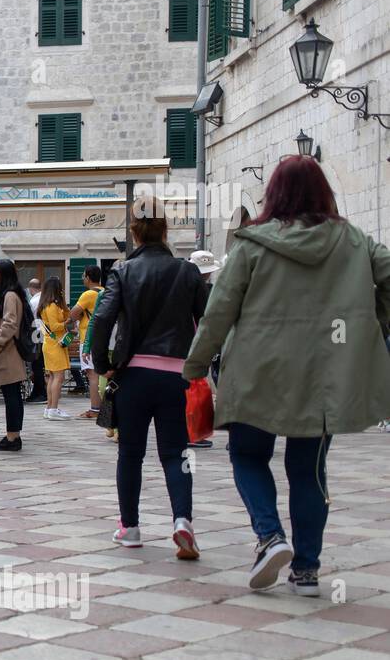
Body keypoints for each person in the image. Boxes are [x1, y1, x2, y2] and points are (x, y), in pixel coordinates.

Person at [186, 157, 390, 594]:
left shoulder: (251, 244)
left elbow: (219, 310)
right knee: (309, 469)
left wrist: (196, 364)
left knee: (246, 455)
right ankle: (307, 570)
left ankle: (269, 536)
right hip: (326, 374)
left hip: (257, 371)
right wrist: (374, 321)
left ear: (273, 193)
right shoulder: (355, 241)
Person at [91, 197, 208, 558]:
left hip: (134, 375)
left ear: (134, 231)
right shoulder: (187, 272)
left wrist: (102, 363)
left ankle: (130, 528)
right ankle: (182, 520)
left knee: (130, 453)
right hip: (175, 376)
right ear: (165, 229)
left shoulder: (122, 272)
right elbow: (209, 320)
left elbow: (101, 320)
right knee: (176, 454)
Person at [0, 260, 29, 452]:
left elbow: (10, 323)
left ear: (2, 274)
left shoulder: (9, 295)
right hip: (8, 351)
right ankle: (13, 435)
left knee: (11, 395)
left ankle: (13, 437)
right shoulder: (10, 293)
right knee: (13, 395)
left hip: (7, 352)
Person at [186, 250, 223, 449]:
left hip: (188, 343)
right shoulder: (202, 289)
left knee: (193, 389)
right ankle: (192, 432)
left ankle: (193, 432)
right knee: (194, 390)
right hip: (193, 344)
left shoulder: (184, 284)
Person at [69, 265, 104, 419]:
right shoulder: (104, 291)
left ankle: (95, 409)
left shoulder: (88, 294)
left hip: (88, 337)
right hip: (102, 337)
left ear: (88, 277)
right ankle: (101, 408)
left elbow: (73, 314)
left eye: (83, 276)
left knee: (92, 374)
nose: (82, 279)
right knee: (101, 374)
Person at [37, 276, 72, 422]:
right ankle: (53, 409)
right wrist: (67, 322)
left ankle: (50, 408)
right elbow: (55, 326)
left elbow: (64, 315)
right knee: (58, 377)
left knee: (52, 377)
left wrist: (65, 311)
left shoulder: (52, 305)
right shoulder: (51, 306)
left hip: (52, 343)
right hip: (54, 344)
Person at [25, 277, 48, 403]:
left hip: (37, 334)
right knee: (39, 365)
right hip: (45, 335)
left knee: (37, 365)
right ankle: (37, 392)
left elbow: (32, 321)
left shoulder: (33, 301)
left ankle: (41, 393)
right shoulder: (45, 298)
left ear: (30, 289)